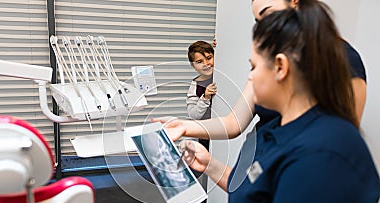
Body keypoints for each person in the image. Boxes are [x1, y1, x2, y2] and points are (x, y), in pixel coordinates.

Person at [170, 2, 380, 203]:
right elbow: (259, 188)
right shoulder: (277, 132)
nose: (250, 78)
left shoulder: (323, 154)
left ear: (280, 67)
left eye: (253, 67)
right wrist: (211, 166)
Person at [153, 0, 367, 142]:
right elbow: (234, 122)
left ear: (295, 3)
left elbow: (343, 143)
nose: (264, 27)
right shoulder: (267, 62)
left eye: (269, 14)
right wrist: (185, 126)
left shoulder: (343, 59)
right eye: (258, 21)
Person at [186, 40, 217, 150]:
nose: (206, 64)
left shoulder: (222, 74)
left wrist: (220, 44)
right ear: (193, 66)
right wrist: (205, 98)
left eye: (209, 58)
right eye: (199, 62)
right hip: (206, 135)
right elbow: (193, 115)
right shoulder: (195, 86)